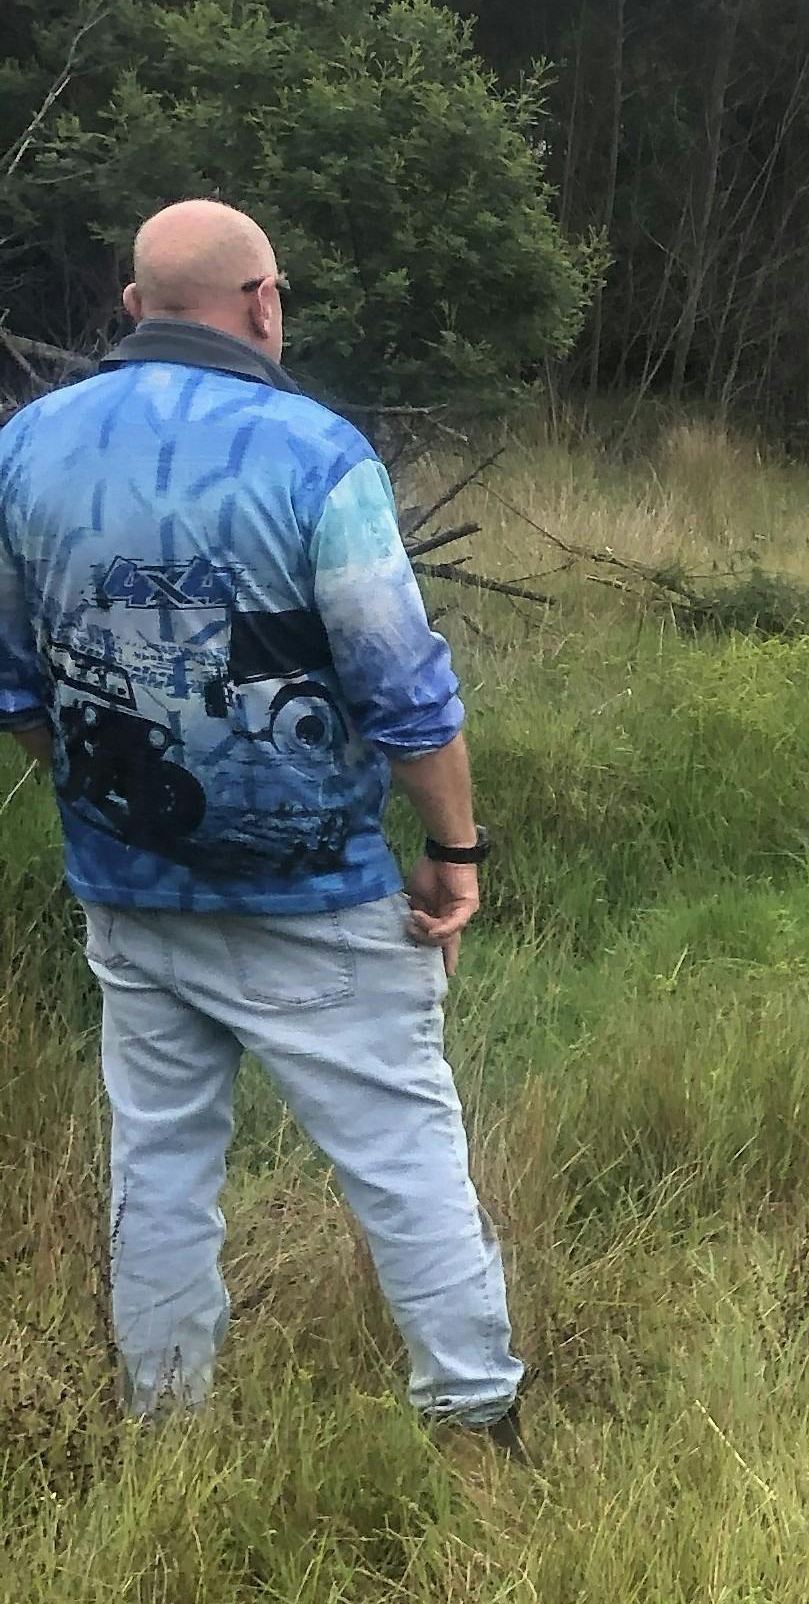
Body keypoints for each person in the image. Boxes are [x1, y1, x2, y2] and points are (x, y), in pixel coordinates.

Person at [0, 201, 522, 1442]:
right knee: (400, 1153)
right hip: (317, 894)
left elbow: (18, 686)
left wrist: (102, 790)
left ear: (135, 308)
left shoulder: (24, 449)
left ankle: (164, 1424)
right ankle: (476, 1418)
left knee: (159, 1166)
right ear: (264, 303)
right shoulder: (315, 453)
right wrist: (454, 854)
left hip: (129, 890)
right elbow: (403, 689)